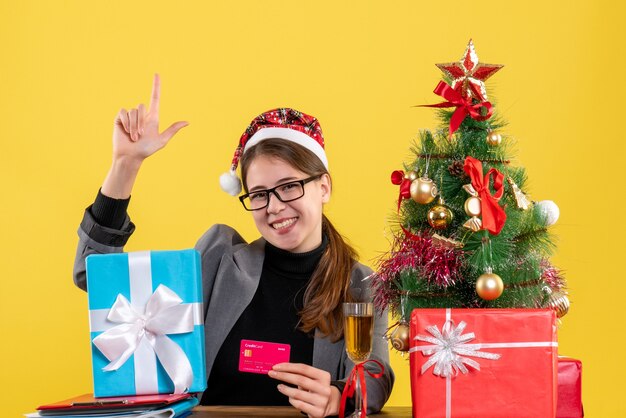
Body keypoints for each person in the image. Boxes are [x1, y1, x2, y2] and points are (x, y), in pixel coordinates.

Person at [73, 74, 394, 417]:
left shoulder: (361, 285)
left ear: (324, 187)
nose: (273, 207)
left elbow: (377, 375)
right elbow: (94, 275)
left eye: (288, 186)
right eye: (259, 194)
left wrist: (339, 396)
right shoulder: (219, 258)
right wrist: (126, 165)